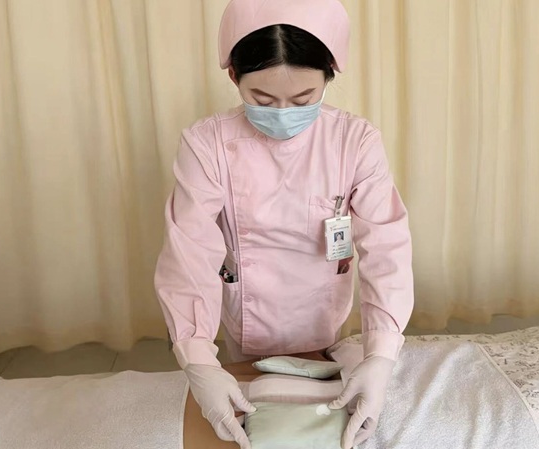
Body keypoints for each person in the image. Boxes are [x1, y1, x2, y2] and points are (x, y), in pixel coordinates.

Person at [154, 1, 414, 448]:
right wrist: (197, 360)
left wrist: (382, 353)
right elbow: (189, 251)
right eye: (262, 99)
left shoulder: (355, 141)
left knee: (321, 396)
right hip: (248, 309)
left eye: (303, 99)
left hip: (322, 304)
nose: (282, 113)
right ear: (234, 76)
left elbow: (386, 246)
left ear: (328, 77)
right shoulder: (207, 143)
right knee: (253, 400)